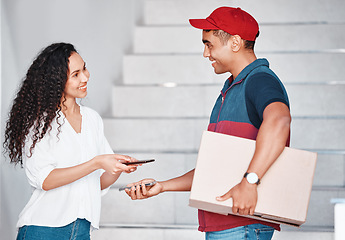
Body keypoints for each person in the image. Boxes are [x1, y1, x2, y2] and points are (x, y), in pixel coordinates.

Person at [125, 7, 291, 240]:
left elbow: (280, 121)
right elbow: (215, 169)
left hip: (242, 226)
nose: (205, 53)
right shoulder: (231, 89)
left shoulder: (259, 80)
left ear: (234, 42)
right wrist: (162, 186)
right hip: (226, 225)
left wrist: (250, 181)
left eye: (209, 44)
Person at [3, 42, 138, 240]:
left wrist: (117, 168)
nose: (85, 77)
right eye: (75, 74)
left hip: (82, 231)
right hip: (43, 231)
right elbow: (45, 180)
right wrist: (97, 162)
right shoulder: (40, 123)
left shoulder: (92, 119)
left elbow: (96, 183)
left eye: (84, 68)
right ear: (56, 81)